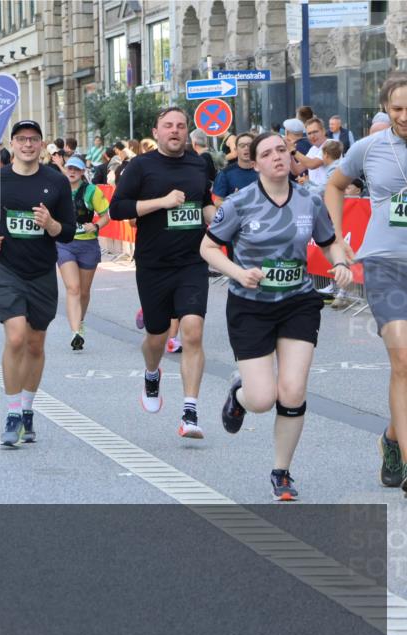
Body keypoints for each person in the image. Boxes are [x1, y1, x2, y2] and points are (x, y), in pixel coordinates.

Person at [203, 131, 352, 501]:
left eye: (281, 150)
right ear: (254, 163)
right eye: (267, 154)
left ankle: (281, 472)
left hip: (298, 302)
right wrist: (237, 272)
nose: (277, 157)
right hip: (250, 305)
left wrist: (341, 264)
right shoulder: (240, 203)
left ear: (290, 155)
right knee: (262, 399)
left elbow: (329, 241)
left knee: (292, 390)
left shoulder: (309, 200)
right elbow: (208, 247)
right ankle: (239, 397)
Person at [0, 119, 77, 446]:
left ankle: (28, 409)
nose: (27, 145)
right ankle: (12, 412)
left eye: (33, 139)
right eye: (21, 139)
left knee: (35, 343)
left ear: (42, 145)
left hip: (42, 271)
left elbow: (68, 231)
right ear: (12, 144)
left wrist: (51, 223)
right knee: (15, 338)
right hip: (7, 270)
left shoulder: (55, 182)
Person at [110, 106, 216, 439]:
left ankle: (190, 411)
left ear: (187, 132)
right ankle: (152, 373)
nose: (175, 131)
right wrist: (161, 202)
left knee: (193, 331)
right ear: (156, 132)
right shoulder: (141, 166)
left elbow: (204, 203)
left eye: (180, 126)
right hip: (154, 264)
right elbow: (118, 209)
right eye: (168, 126)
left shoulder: (199, 164)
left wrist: (221, 218)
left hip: (192, 261)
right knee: (156, 336)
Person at [324, 73, 407, 496]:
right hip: (386, 264)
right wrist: (337, 238)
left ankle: (393, 438)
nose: (405, 116)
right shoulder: (370, 148)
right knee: (403, 361)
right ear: (385, 109)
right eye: (397, 109)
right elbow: (334, 186)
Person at [56, 156, 110, 351]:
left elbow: (106, 215)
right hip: (65, 244)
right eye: (69, 168)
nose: (72, 172)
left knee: (84, 292)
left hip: (88, 246)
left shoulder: (91, 191)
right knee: (73, 288)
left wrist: (95, 225)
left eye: (76, 170)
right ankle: (75, 332)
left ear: (81, 173)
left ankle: (81, 321)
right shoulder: (58, 190)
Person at [213, 132, 258, 205]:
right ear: (236, 150)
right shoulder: (225, 174)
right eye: (242, 146)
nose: (246, 148)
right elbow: (216, 203)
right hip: (237, 215)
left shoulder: (265, 171)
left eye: (249, 145)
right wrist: (232, 202)